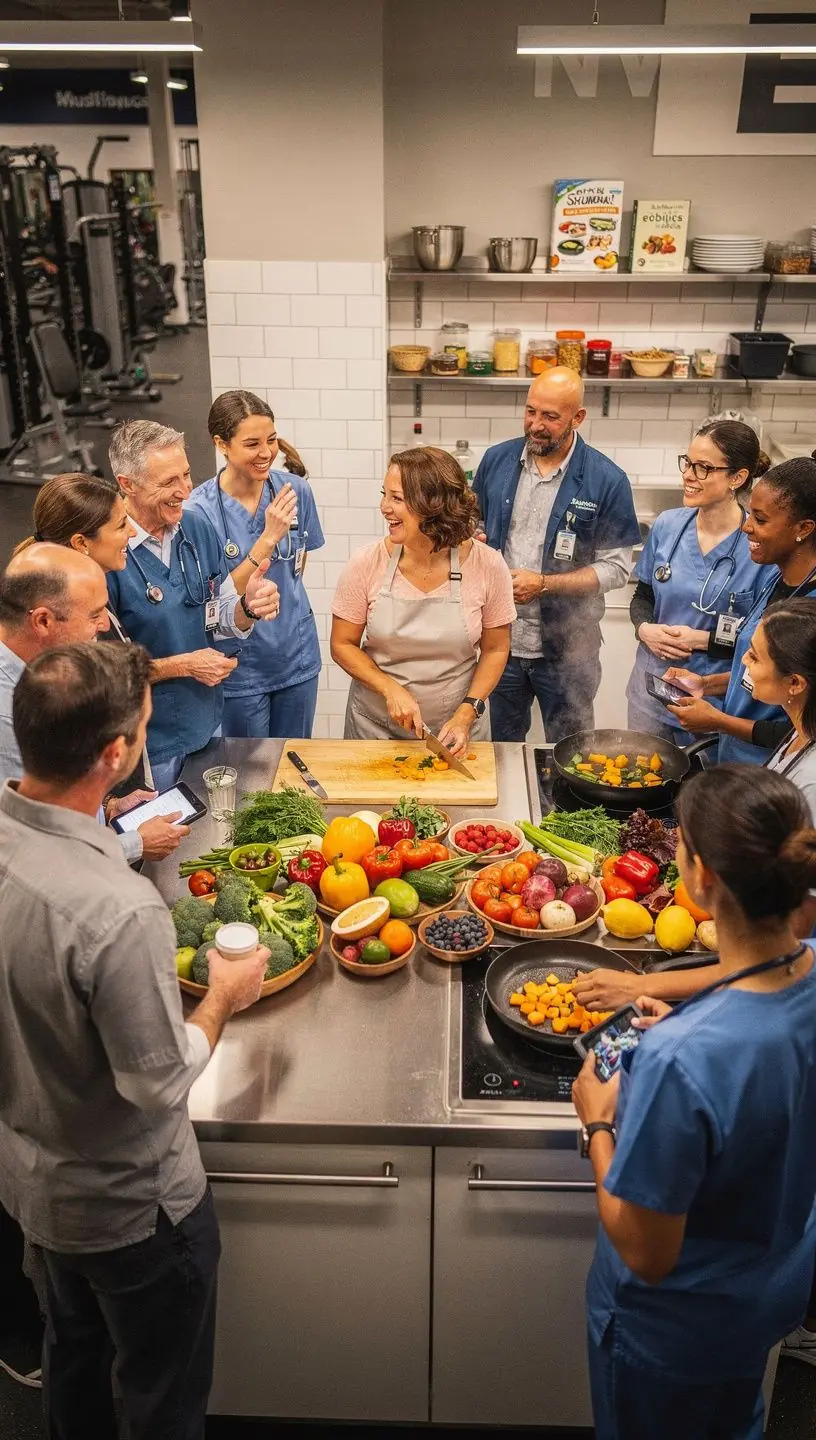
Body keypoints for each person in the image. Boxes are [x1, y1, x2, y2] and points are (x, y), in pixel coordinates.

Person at [0, 640, 269, 1439]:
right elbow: (158, 1083)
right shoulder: (118, 909)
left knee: (75, 1366)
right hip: (135, 1210)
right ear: (115, 754)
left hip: (35, 1192)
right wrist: (221, 997)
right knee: (161, 1398)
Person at [573, 764, 816, 1440]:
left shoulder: (683, 1063)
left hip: (674, 1332)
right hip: (767, 1296)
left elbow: (646, 1251)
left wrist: (595, 1118)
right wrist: (693, 1008)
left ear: (700, 876)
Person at [107, 420, 280, 789]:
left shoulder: (197, 529)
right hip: (146, 742)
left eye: (186, 475)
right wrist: (183, 665)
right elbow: (99, 672)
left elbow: (217, 617)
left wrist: (247, 608)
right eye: (168, 482)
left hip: (205, 721)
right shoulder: (108, 553)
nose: (185, 491)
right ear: (127, 484)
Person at [473, 367, 640, 743]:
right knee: (498, 750)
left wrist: (545, 585)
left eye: (550, 416)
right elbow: (472, 524)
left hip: (568, 650)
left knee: (571, 753)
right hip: (499, 644)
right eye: (530, 411)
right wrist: (475, 539)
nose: (535, 425)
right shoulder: (496, 462)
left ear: (577, 418)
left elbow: (616, 569)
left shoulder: (606, 479)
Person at [0, 544, 185, 864]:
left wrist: (108, 807)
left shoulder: (39, 674)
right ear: (42, 621)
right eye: (94, 614)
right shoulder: (6, 718)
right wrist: (135, 844)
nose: (103, 627)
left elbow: (53, 801)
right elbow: (36, 852)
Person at [331, 446, 514, 756]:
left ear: (433, 505)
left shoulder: (488, 565)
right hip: (375, 732)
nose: (384, 507)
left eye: (397, 498)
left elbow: (496, 648)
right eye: (384, 494)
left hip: (456, 732)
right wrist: (389, 688)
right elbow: (342, 645)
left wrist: (467, 713)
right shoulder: (365, 563)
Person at [186, 390, 324, 738]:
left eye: (272, 440)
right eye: (252, 444)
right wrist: (267, 539)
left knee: (294, 767)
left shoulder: (295, 492)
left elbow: (295, 566)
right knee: (250, 775)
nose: (266, 454)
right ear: (222, 444)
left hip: (296, 655)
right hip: (240, 665)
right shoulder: (197, 512)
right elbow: (212, 598)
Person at [626, 422, 773, 742]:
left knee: (701, 790)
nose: (689, 475)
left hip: (712, 707)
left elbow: (764, 643)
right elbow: (643, 595)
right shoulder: (667, 526)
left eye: (704, 468)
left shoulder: (760, 549)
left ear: (738, 477)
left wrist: (700, 640)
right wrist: (644, 628)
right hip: (650, 693)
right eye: (688, 463)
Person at [666, 455, 816, 763]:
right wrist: (705, 684)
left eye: (760, 520)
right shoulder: (776, 578)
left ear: (804, 528)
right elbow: (757, 672)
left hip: (774, 771)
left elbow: (805, 731)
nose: (746, 527)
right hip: (734, 759)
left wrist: (718, 721)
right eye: (750, 515)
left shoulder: (809, 614)